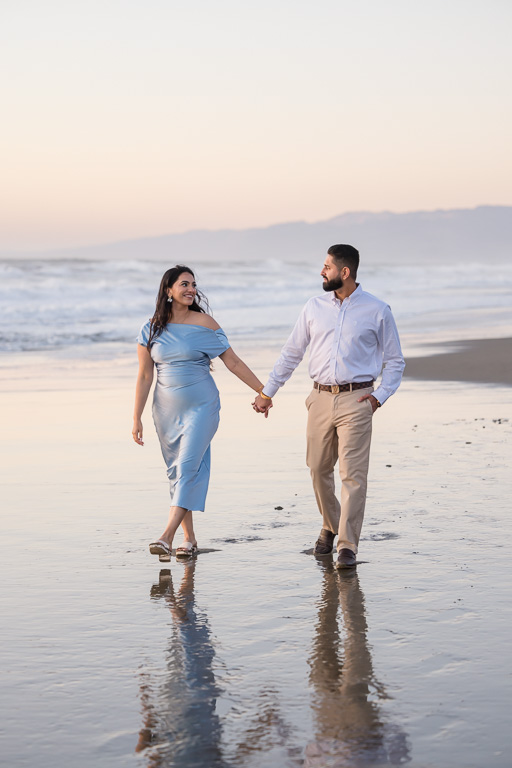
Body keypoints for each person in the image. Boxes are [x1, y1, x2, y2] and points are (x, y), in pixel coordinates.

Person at [252, 245, 405, 569]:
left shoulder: (377, 310)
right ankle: (330, 525)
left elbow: (394, 361)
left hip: (358, 398)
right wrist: (268, 392)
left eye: (327, 267)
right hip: (319, 398)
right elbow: (291, 352)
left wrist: (380, 396)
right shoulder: (313, 307)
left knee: (353, 475)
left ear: (344, 272)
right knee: (318, 469)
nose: (322, 272)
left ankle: (347, 546)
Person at [133, 265, 267, 559]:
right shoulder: (150, 328)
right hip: (164, 410)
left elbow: (232, 361)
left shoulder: (206, 323)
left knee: (189, 466)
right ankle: (189, 539)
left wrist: (263, 391)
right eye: (183, 284)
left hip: (203, 406)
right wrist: (136, 417)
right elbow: (145, 376)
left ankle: (166, 536)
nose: (190, 289)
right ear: (168, 290)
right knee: (178, 472)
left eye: (193, 284)